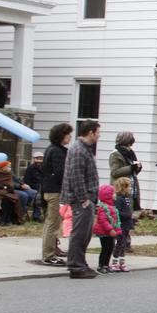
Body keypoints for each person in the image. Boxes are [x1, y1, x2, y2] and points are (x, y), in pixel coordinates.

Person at [61, 119, 102, 279]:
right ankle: (76, 266)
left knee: (85, 233)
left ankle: (81, 262)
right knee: (79, 233)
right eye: (98, 132)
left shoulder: (85, 149)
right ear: (90, 132)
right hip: (81, 199)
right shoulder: (79, 150)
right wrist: (84, 199)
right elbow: (76, 176)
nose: (99, 135)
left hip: (88, 197)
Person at [40, 123, 72, 266]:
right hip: (55, 191)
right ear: (61, 135)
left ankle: (53, 249)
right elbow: (61, 173)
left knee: (52, 222)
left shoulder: (52, 149)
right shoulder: (57, 152)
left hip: (49, 189)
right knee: (53, 223)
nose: (70, 136)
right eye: (68, 134)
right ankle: (48, 255)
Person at [109, 131, 143, 210]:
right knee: (122, 213)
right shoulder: (115, 154)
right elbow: (114, 172)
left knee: (130, 214)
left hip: (131, 188)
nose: (130, 146)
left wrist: (137, 168)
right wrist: (131, 168)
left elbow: (132, 172)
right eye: (130, 143)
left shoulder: (130, 154)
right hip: (120, 189)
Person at [93, 184, 122, 274]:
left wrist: (116, 229)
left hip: (110, 232)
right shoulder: (103, 207)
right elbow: (103, 220)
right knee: (105, 248)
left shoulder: (112, 206)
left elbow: (114, 219)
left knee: (110, 248)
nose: (115, 195)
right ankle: (100, 265)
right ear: (107, 195)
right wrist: (110, 230)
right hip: (104, 232)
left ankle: (106, 265)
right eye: (113, 193)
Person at [112, 177, 134, 272]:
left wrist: (131, 218)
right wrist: (127, 215)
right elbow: (117, 212)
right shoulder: (119, 199)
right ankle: (114, 262)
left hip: (127, 224)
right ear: (123, 187)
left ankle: (122, 262)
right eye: (129, 186)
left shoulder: (127, 198)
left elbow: (128, 210)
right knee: (119, 244)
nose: (130, 188)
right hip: (121, 225)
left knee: (124, 244)